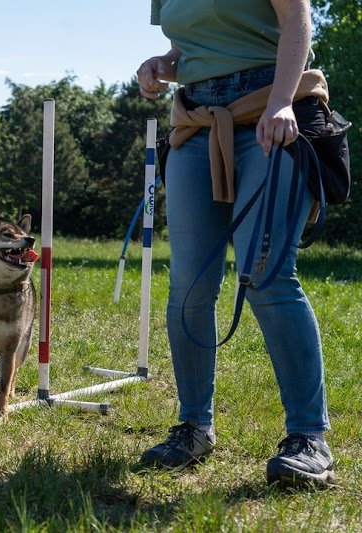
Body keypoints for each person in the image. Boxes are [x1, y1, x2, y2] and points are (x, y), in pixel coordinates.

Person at [136, 0, 334, 488]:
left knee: (265, 275)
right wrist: (165, 63)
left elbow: (297, 20)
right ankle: (193, 427)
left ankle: (310, 439)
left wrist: (282, 100)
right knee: (188, 284)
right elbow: (195, 38)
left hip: (271, 109)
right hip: (198, 121)